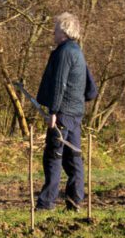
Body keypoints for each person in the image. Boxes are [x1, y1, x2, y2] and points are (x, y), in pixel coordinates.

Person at [33, 12, 98, 211]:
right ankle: (74, 201)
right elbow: (91, 90)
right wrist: (78, 103)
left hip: (62, 115)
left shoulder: (63, 52)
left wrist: (54, 111)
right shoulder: (78, 52)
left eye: (56, 29)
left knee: (53, 157)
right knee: (73, 159)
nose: (53, 32)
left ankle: (46, 203)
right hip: (75, 115)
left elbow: (59, 84)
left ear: (64, 31)